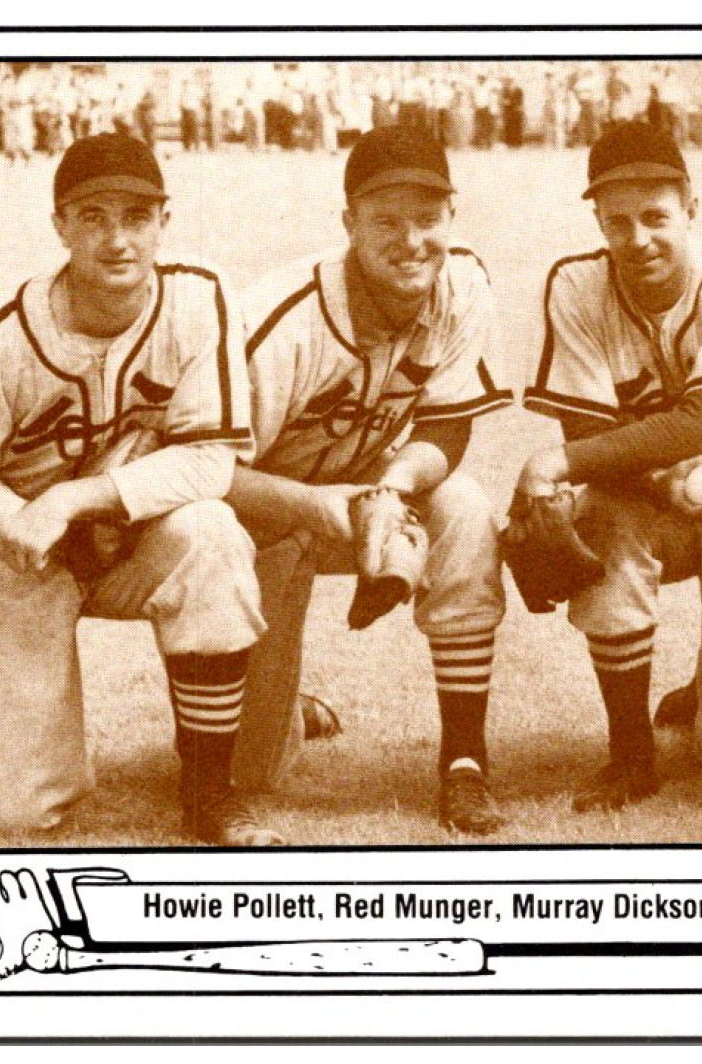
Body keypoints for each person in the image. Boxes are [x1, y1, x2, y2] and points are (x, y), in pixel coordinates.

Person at [0, 133, 278, 845]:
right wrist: (32, 518)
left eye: (137, 217)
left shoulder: (197, 297)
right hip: (12, 542)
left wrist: (78, 499)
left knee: (212, 533)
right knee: (15, 814)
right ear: (60, 225)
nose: (117, 239)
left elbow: (213, 457)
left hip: (127, 524)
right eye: (93, 216)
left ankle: (209, 796)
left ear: (163, 222)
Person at [226, 126, 514, 835]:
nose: (411, 239)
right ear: (348, 224)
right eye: (386, 220)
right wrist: (316, 506)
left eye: (428, 218)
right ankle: (277, 702)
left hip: (369, 490)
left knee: (466, 507)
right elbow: (206, 472)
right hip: (262, 508)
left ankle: (465, 761)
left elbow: (448, 428)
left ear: (452, 217)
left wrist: (390, 489)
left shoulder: (463, 282)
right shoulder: (283, 320)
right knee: (254, 770)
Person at [519, 122, 702, 810]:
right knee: (609, 520)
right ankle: (630, 754)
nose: (637, 239)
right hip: (644, 503)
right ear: (598, 221)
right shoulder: (576, 282)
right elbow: (587, 423)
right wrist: (657, 477)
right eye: (618, 222)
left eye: (655, 217)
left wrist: (558, 460)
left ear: (690, 206)